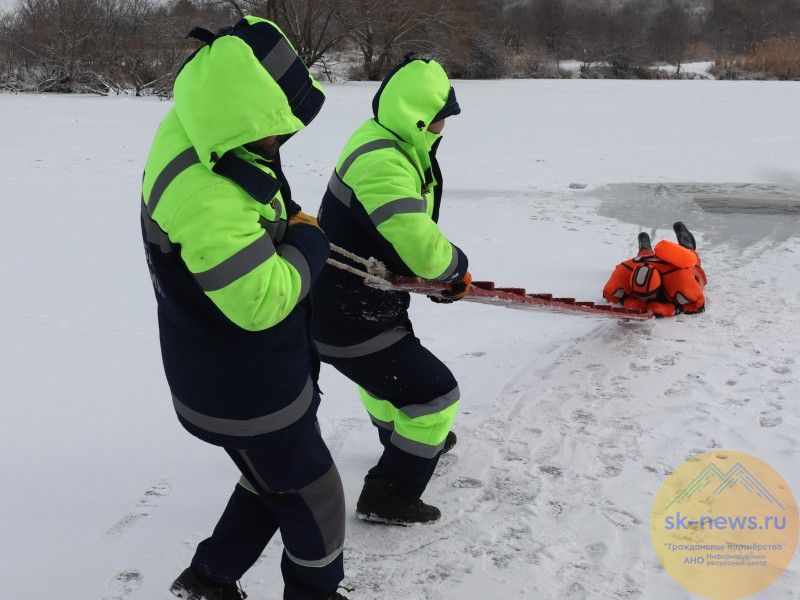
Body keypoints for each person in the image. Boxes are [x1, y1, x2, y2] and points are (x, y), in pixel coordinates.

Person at [140, 17, 347, 600]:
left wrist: (285, 220)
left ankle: (209, 580)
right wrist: (311, 241)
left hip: (225, 373)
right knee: (315, 496)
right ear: (244, 111)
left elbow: (253, 201)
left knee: (270, 479)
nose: (282, 141)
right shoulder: (208, 193)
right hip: (246, 389)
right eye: (275, 128)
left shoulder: (203, 126)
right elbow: (261, 300)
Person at [311, 55, 471, 525]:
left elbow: (388, 234)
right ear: (417, 115)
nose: (445, 125)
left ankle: (401, 441)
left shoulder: (386, 140)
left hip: (349, 301)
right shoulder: (383, 163)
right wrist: (454, 268)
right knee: (436, 397)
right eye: (442, 115)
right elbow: (421, 248)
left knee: (386, 378)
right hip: (347, 311)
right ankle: (391, 493)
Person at [603, 222, 707, 317]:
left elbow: (698, 305)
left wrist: (670, 309)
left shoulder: (680, 278)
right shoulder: (626, 270)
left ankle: (683, 235)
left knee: (690, 254)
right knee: (644, 255)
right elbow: (609, 294)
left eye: (648, 296)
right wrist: (629, 302)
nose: (645, 300)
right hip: (644, 260)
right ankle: (644, 247)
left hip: (675, 266)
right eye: (640, 296)